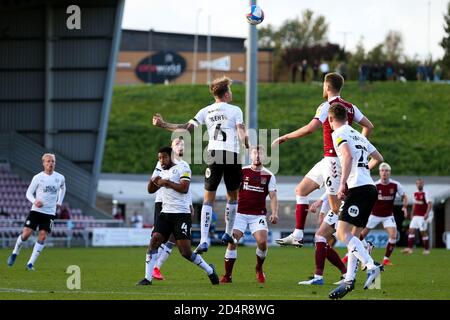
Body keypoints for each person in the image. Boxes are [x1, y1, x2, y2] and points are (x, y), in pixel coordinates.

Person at [272, 73, 374, 248]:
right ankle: (297, 234)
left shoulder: (327, 106)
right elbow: (369, 126)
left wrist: (286, 136)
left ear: (327, 87)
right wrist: (360, 147)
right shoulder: (350, 107)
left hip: (334, 161)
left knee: (336, 208)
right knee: (301, 190)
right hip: (327, 159)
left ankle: (363, 245)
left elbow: (311, 128)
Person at [152, 76, 249, 254]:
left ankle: (204, 240)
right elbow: (241, 132)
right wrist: (248, 144)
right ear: (226, 93)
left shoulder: (205, 111)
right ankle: (228, 233)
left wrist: (163, 124)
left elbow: (186, 128)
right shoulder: (235, 110)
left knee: (208, 199)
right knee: (232, 197)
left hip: (213, 154)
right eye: (231, 90)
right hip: (232, 155)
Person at [136, 146, 219, 286]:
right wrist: (154, 179)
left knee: (185, 252)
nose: (161, 160)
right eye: (159, 158)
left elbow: (184, 188)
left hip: (181, 214)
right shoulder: (161, 169)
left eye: (164, 157)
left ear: (172, 156)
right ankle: (147, 278)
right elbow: (150, 190)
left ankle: (210, 270)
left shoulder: (183, 167)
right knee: (155, 239)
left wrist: (166, 182)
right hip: (165, 212)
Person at [326, 103, 384, 300]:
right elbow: (378, 157)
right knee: (354, 237)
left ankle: (371, 266)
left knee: (342, 233)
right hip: (370, 188)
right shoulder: (359, 134)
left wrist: (343, 184)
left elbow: (348, 156)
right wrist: (364, 170)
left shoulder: (338, 133)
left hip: (358, 189)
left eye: (329, 121)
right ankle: (349, 280)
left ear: (332, 119)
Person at [219, 145, 278, 284]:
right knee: (232, 241)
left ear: (264, 157)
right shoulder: (242, 171)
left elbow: (273, 196)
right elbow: (231, 192)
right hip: (239, 214)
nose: (257, 156)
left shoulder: (269, 175)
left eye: (260, 154)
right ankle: (228, 276)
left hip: (258, 215)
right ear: (250, 156)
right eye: (254, 153)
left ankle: (259, 268)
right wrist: (229, 212)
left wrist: (275, 213)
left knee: (262, 242)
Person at [7, 153, 66, 271]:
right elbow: (28, 193)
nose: (51, 163)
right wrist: (35, 201)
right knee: (26, 234)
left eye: (53, 161)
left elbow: (63, 188)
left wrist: (59, 201)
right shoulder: (38, 177)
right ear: (43, 163)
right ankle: (15, 252)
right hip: (36, 211)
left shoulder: (60, 177)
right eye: (48, 161)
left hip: (50, 213)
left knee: (43, 236)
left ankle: (30, 264)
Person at [149, 136, 194, 280]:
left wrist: (190, 204)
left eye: (183, 144)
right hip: (162, 203)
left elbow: (185, 187)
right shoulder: (161, 162)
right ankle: (151, 269)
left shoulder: (184, 165)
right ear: (171, 147)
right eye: (177, 143)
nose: (181, 146)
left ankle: (157, 267)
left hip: (180, 206)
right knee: (157, 237)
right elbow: (154, 182)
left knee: (174, 237)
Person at [358, 162, 408, 266]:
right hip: (374, 215)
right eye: (382, 170)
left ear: (389, 173)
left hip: (388, 216)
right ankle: (350, 254)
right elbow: (367, 199)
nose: (384, 173)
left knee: (393, 235)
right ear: (380, 172)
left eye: (386, 171)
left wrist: (404, 207)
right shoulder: (375, 185)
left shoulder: (395, 185)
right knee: (361, 235)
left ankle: (386, 259)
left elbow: (404, 196)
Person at [297, 193, 348, 285]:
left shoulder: (339, 180)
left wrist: (319, 202)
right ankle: (346, 274)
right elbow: (330, 190)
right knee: (322, 240)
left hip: (339, 208)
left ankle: (318, 277)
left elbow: (332, 189)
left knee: (320, 237)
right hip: (339, 207)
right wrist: (321, 213)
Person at [401, 178, 433, 255]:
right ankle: (410, 248)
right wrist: (412, 213)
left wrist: (427, 213)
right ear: (416, 184)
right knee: (411, 230)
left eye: (420, 183)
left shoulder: (426, 193)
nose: (419, 185)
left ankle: (426, 249)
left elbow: (429, 204)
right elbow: (414, 204)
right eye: (418, 183)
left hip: (422, 216)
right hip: (415, 216)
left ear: (423, 184)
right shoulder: (415, 193)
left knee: (423, 232)